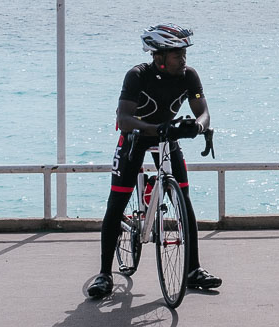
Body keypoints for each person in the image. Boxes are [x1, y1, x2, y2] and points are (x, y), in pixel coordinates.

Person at [87, 24, 223, 299]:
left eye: (184, 54)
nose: (183, 60)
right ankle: (105, 274)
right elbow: (124, 118)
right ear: (159, 57)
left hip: (167, 137)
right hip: (135, 139)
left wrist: (197, 126)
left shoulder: (189, 77)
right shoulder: (137, 76)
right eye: (177, 55)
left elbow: (203, 109)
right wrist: (155, 128)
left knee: (184, 201)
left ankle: (193, 270)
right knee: (116, 203)